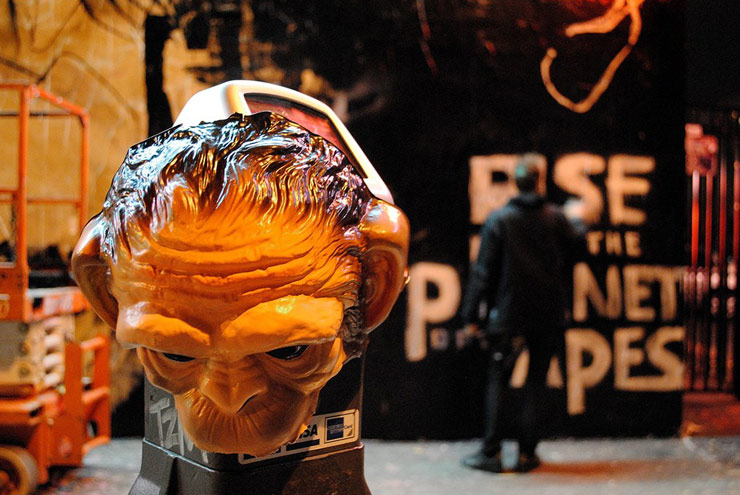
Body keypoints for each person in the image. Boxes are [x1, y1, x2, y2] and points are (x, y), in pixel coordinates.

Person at [461, 155, 585, 473]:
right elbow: (578, 250)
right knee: (536, 383)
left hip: (508, 316)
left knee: (499, 381)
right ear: (539, 181)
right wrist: (580, 223)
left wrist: (471, 316)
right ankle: (527, 454)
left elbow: (483, 273)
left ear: (516, 183)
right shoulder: (557, 218)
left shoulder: (500, 220)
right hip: (548, 316)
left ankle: (491, 453)